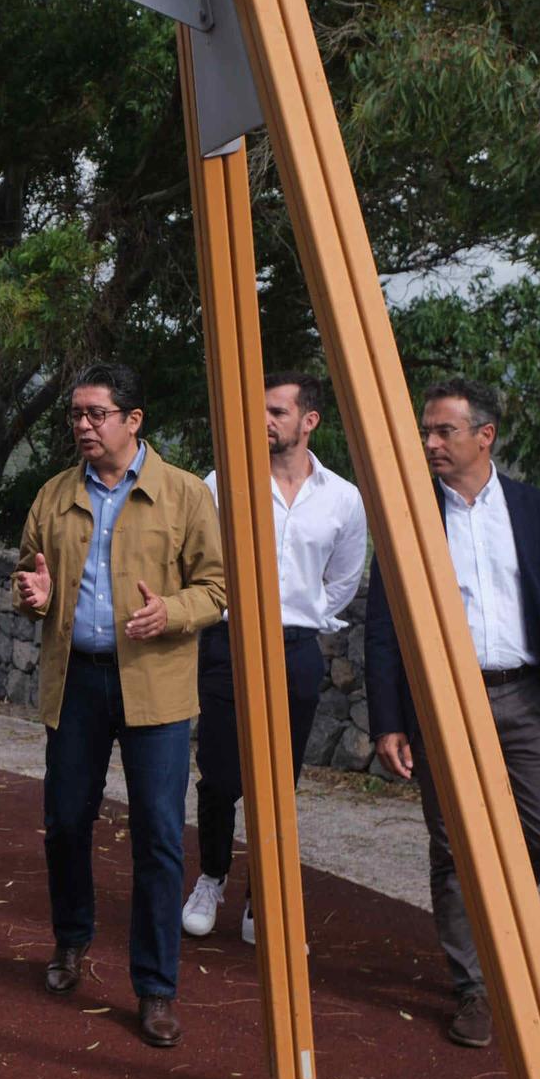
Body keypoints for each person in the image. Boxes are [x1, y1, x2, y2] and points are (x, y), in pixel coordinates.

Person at [365, 377, 540, 1049]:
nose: (430, 442)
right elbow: (382, 625)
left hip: (526, 696)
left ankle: (497, 918)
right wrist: (389, 719)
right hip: (443, 701)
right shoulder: (408, 515)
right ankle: (475, 986)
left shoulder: (538, 511)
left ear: (485, 436)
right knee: (452, 844)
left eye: (444, 431)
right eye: (427, 430)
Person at [13, 362, 225, 1049]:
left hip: (156, 686)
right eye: (75, 413)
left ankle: (156, 985)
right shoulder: (52, 495)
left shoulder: (186, 494)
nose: (82, 424)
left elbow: (218, 589)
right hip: (75, 680)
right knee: (65, 823)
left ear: (134, 420)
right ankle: (72, 939)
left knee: (160, 837)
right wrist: (34, 597)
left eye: (95, 413)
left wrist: (172, 611)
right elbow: (29, 574)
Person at [184, 373, 367, 944]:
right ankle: (211, 876)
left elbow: (342, 582)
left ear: (308, 421)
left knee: (278, 781)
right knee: (217, 776)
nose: (263, 421)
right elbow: (197, 559)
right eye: (258, 410)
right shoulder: (224, 483)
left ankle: (262, 895)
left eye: (276, 412)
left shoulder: (342, 498)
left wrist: (300, 614)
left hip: (294, 650)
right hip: (229, 643)